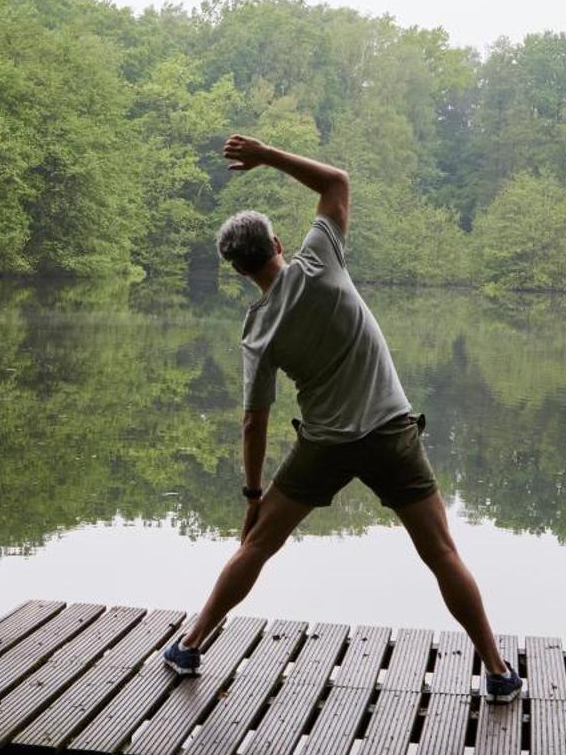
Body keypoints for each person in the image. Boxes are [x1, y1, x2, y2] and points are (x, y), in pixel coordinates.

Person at [160, 134, 523, 703]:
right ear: (278, 242)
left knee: (255, 546)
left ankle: (189, 645)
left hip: (324, 445)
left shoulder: (257, 332)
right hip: (390, 434)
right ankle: (498, 670)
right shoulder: (320, 261)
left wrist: (253, 494)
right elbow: (337, 182)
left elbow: (254, 423)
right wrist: (267, 156)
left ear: (236, 270)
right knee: (443, 554)